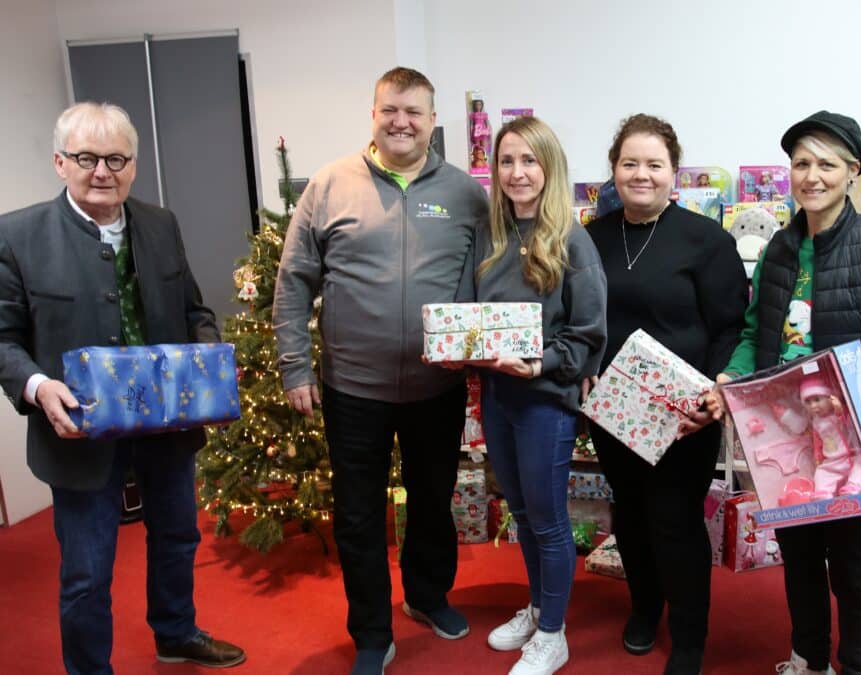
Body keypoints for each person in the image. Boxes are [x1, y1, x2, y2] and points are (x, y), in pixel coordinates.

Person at [0, 102, 244, 673]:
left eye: (116, 158)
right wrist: (38, 388)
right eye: (87, 157)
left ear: (133, 165)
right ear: (61, 162)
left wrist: (206, 366)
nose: (102, 171)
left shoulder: (160, 224)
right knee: (87, 572)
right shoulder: (17, 235)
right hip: (78, 433)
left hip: (166, 427)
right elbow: (3, 339)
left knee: (178, 539)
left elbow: (194, 309)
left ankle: (175, 633)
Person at [272, 67, 488, 675]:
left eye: (414, 112)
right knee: (360, 512)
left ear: (432, 121)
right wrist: (295, 367)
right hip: (352, 387)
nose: (401, 122)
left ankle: (426, 597)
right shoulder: (329, 185)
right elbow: (293, 282)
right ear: (373, 113)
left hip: (436, 385)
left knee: (432, 499)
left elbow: (489, 280)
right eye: (390, 109)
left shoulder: (467, 194)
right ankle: (371, 631)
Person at [707, 110, 861, 675]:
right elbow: (756, 332)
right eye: (801, 163)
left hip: (855, 440)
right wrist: (732, 375)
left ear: (853, 170)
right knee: (800, 564)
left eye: (826, 163)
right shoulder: (779, 249)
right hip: (786, 441)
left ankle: (858, 667)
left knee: (855, 574)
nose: (812, 175)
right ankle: (808, 659)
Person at [586, 114, 747, 675]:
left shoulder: (706, 240)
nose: (641, 174)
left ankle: (689, 635)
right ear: (614, 170)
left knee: (674, 519)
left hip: (685, 415)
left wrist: (714, 391)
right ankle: (643, 607)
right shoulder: (592, 237)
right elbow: (581, 318)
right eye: (630, 163)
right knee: (628, 515)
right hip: (613, 411)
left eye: (654, 164)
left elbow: (732, 326)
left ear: (674, 173)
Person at [459, 116, 607, 675]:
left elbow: (589, 334)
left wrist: (539, 362)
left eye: (529, 161)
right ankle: (539, 605)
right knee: (520, 513)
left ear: (550, 167)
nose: (517, 173)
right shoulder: (489, 235)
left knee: (547, 519)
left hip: (545, 400)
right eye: (506, 161)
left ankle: (553, 634)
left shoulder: (571, 238)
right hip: (496, 397)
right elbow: (467, 315)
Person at [799, 376, 861, 500]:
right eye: (808, 402)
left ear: (830, 398)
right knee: (821, 472)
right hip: (831, 461)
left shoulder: (837, 415)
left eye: (817, 399)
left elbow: (847, 423)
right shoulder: (816, 422)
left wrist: (839, 410)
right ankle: (823, 492)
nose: (813, 405)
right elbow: (818, 442)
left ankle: (854, 486)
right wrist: (818, 456)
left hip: (850, 456)